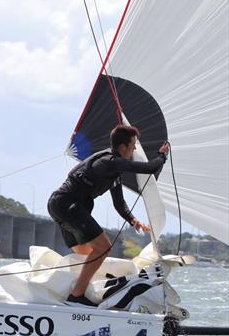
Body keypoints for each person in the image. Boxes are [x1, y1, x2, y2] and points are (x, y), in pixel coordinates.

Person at [47, 125, 170, 307]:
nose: (135, 149)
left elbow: (118, 203)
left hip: (62, 206)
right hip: (67, 206)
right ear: (123, 147)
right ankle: (76, 296)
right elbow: (149, 168)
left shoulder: (113, 170)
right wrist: (162, 155)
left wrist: (133, 220)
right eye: (133, 145)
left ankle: (71, 291)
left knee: (87, 254)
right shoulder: (108, 162)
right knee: (103, 248)